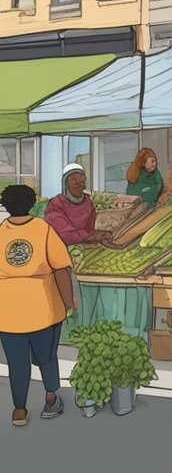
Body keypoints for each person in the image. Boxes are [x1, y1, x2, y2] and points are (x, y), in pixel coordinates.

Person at [0, 184, 76, 427]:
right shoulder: (43, 230)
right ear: (32, 203)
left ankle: (19, 410)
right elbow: (62, 270)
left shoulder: (0, 232)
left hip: (8, 314)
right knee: (46, 357)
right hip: (44, 309)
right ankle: (51, 399)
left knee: (17, 364)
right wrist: (68, 302)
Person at [43, 164, 112, 246]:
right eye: (73, 179)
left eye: (81, 180)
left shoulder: (87, 202)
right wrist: (90, 236)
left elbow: (90, 228)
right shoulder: (56, 203)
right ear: (66, 182)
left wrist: (95, 235)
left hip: (84, 242)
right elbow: (60, 232)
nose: (78, 183)